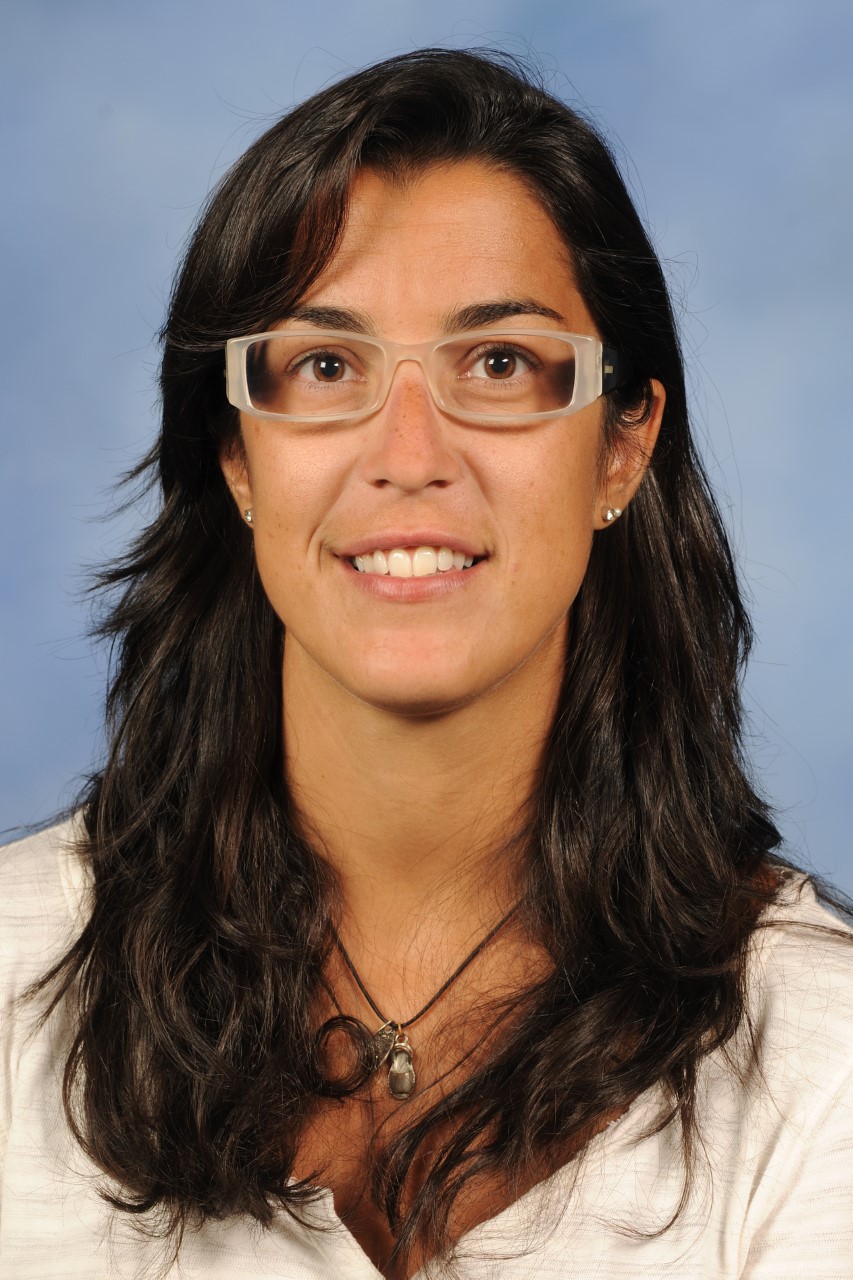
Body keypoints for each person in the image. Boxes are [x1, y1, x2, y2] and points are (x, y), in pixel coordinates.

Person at [1, 47, 851, 1280]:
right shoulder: (15, 973)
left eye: (498, 365)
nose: (409, 455)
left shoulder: (821, 1065)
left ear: (621, 447)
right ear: (236, 455)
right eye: (325, 367)